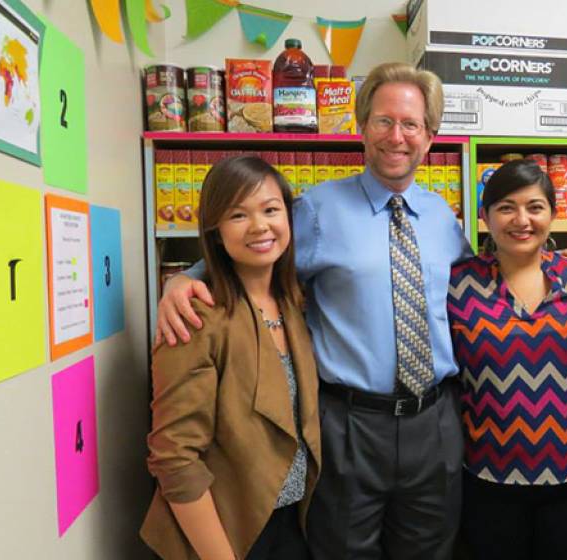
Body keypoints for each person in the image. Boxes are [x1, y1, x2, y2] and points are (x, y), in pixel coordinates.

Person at [156, 63, 472, 560]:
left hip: (434, 421)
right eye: (384, 121)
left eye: (411, 124)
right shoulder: (317, 210)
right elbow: (250, 248)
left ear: (430, 136)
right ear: (362, 126)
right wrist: (182, 280)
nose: (397, 136)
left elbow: (486, 281)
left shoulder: (443, 219)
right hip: (348, 424)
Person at [139, 155, 321, 560]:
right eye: (238, 215)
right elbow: (175, 458)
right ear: (217, 232)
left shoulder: (292, 304)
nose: (260, 227)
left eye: (271, 210)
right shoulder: (195, 318)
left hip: (288, 522)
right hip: (223, 533)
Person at [447, 159, 567, 559]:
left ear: (553, 215)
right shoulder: (457, 282)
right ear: (485, 216)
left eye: (535, 207)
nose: (522, 220)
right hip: (488, 484)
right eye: (506, 207)